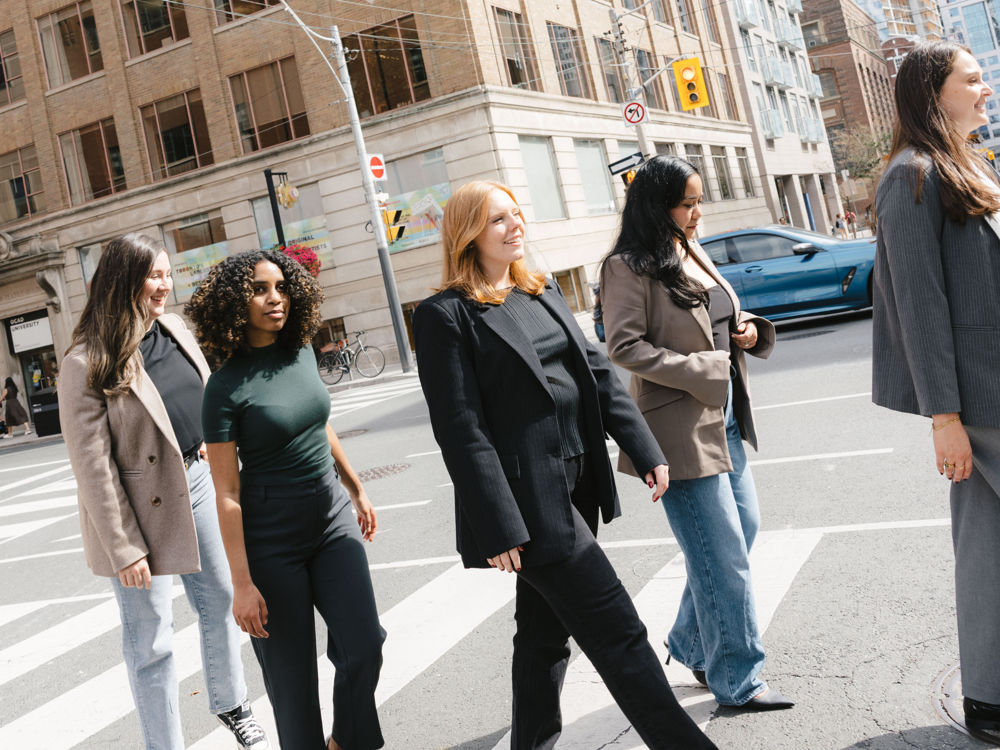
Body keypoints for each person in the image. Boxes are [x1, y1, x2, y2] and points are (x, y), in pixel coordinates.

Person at [413, 180, 718, 750]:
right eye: (498, 219)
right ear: (467, 234)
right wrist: (498, 523)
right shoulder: (447, 316)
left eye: (516, 213)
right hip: (531, 503)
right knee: (619, 631)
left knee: (543, 633)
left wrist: (644, 446)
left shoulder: (539, 289)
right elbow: (460, 430)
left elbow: (596, 372)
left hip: (578, 480)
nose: (515, 225)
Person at [59, 233, 268, 750]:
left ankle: (231, 702)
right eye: (154, 274)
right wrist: (125, 548)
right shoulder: (85, 362)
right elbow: (93, 471)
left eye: (167, 273)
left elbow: (206, 393)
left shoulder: (173, 328)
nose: (164, 284)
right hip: (136, 509)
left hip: (197, 482)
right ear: (123, 279)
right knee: (151, 638)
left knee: (221, 599)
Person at [600, 155, 793, 712]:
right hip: (677, 429)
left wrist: (747, 331)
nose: (696, 212)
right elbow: (625, 347)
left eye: (698, 201)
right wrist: (707, 367)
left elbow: (716, 316)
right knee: (723, 555)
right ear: (657, 206)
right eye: (687, 203)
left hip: (725, 421)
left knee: (739, 535)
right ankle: (737, 679)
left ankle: (690, 643)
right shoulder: (627, 265)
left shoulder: (686, 248)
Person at [187, 249, 385, 750]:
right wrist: (242, 583)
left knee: (364, 646)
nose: (275, 299)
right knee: (293, 686)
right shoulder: (225, 387)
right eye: (259, 289)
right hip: (270, 532)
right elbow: (227, 492)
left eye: (281, 287)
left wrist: (355, 487)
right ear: (235, 302)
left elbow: (318, 423)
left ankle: (348, 739)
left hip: (330, 513)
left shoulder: (300, 351)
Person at [872, 42, 1000, 746]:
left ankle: (987, 696)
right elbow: (918, 306)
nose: (986, 89)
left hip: (988, 392)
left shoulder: (960, 164)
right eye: (973, 79)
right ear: (933, 92)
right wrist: (942, 417)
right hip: (982, 398)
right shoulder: (910, 175)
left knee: (985, 544)